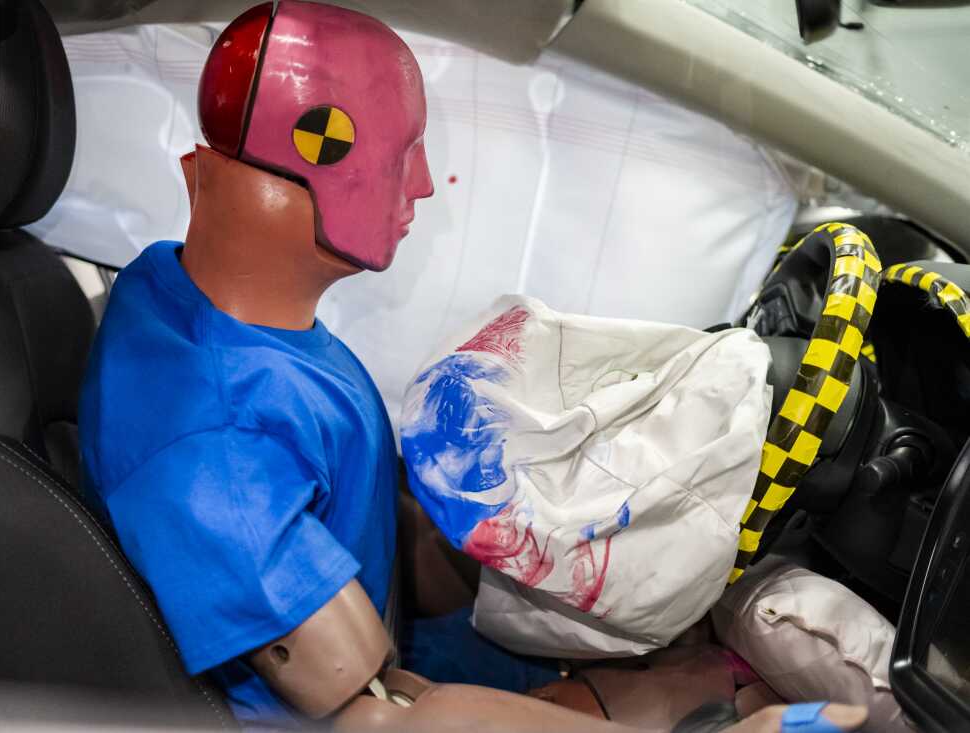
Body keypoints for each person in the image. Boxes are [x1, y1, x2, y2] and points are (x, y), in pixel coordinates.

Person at [78, 2, 866, 730]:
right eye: (402, 151)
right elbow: (365, 701)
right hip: (350, 709)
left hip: (404, 646)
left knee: (702, 662)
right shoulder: (210, 435)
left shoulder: (184, 298)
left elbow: (373, 546)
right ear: (317, 150)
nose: (421, 183)